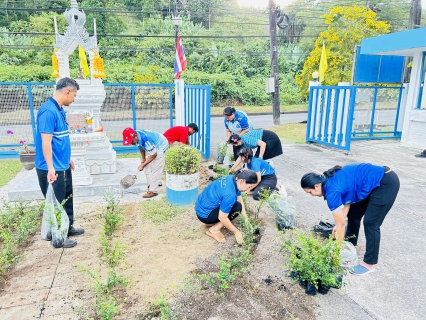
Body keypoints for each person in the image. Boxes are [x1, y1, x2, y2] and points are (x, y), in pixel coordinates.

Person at [300, 163, 400, 276]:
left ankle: (369, 263)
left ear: (317, 185)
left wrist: (336, 253)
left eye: (310, 192)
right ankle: (350, 244)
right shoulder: (328, 179)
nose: (311, 195)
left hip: (385, 182)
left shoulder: (332, 192)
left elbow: (342, 225)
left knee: (371, 223)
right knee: (353, 214)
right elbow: (347, 200)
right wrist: (338, 225)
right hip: (370, 182)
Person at [35, 77, 85, 248]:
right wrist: (50, 168)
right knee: (56, 202)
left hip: (61, 164)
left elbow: (60, 139)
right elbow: (46, 141)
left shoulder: (59, 110)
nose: (74, 99)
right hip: (51, 167)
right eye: (74, 95)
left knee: (67, 198)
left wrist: (67, 158)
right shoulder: (48, 111)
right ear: (67, 91)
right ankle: (58, 237)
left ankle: (67, 226)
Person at [195, 169, 258, 244]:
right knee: (237, 208)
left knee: (238, 205)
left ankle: (211, 222)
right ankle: (214, 230)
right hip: (205, 215)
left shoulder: (233, 179)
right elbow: (222, 217)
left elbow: (240, 200)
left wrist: (246, 221)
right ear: (243, 181)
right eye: (249, 186)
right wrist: (236, 232)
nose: (248, 190)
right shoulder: (230, 194)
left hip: (200, 208)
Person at [122, 127, 168, 198]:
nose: (131, 143)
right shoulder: (136, 136)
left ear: (135, 136)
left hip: (161, 145)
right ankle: (156, 183)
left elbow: (154, 155)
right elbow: (140, 146)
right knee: (150, 165)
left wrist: (142, 165)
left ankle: (152, 191)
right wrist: (143, 159)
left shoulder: (145, 140)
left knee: (156, 167)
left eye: (131, 141)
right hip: (153, 145)